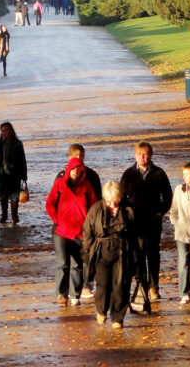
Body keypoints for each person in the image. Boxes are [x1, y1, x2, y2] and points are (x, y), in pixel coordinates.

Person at [82, 181, 140, 330]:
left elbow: (136, 233)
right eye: (109, 201)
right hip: (102, 250)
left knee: (121, 286)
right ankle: (101, 311)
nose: (113, 204)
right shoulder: (96, 209)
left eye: (116, 201)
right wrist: (87, 253)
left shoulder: (128, 209)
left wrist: (137, 254)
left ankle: (117, 318)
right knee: (103, 285)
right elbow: (87, 232)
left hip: (123, 250)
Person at [120, 141, 172, 306]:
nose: (143, 157)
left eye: (146, 154)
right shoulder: (128, 174)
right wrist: (126, 215)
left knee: (153, 253)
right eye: (140, 154)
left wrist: (161, 211)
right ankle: (142, 285)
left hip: (153, 220)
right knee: (138, 254)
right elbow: (121, 197)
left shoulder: (159, 173)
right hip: (135, 222)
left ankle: (154, 286)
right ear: (135, 155)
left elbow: (167, 195)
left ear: (151, 155)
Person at [45, 156, 97, 307]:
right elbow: (49, 203)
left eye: (78, 169)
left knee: (77, 264)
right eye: (73, 169)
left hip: (80, 232)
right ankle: (61, 294)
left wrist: (90, 225)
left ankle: (75, 295)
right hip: (61, 231)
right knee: (63, 263)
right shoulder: (59, 184)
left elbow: (94, 206)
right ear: (69, 170)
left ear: (82, 170)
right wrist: (57, 219)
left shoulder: (86, 186)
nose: (75, 172)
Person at [170, 161, 190, 305]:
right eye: (183, 174)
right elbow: (174, 209)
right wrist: (176, 222)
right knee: (183, 262)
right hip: (181, 233)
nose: (184, 176)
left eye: (187, 174)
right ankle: (184, 293)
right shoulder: (179, 189)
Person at [0, 121, 27, 225]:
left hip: (15, 174)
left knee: (14, 196)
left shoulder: (18, 144)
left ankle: (15, 216)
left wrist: (24, 175)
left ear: (11, 131)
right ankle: (4, 215)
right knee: (3, 196)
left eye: (6, 130)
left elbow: (22, 160)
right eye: (2, 131)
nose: (4, 133)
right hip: (1, 174)